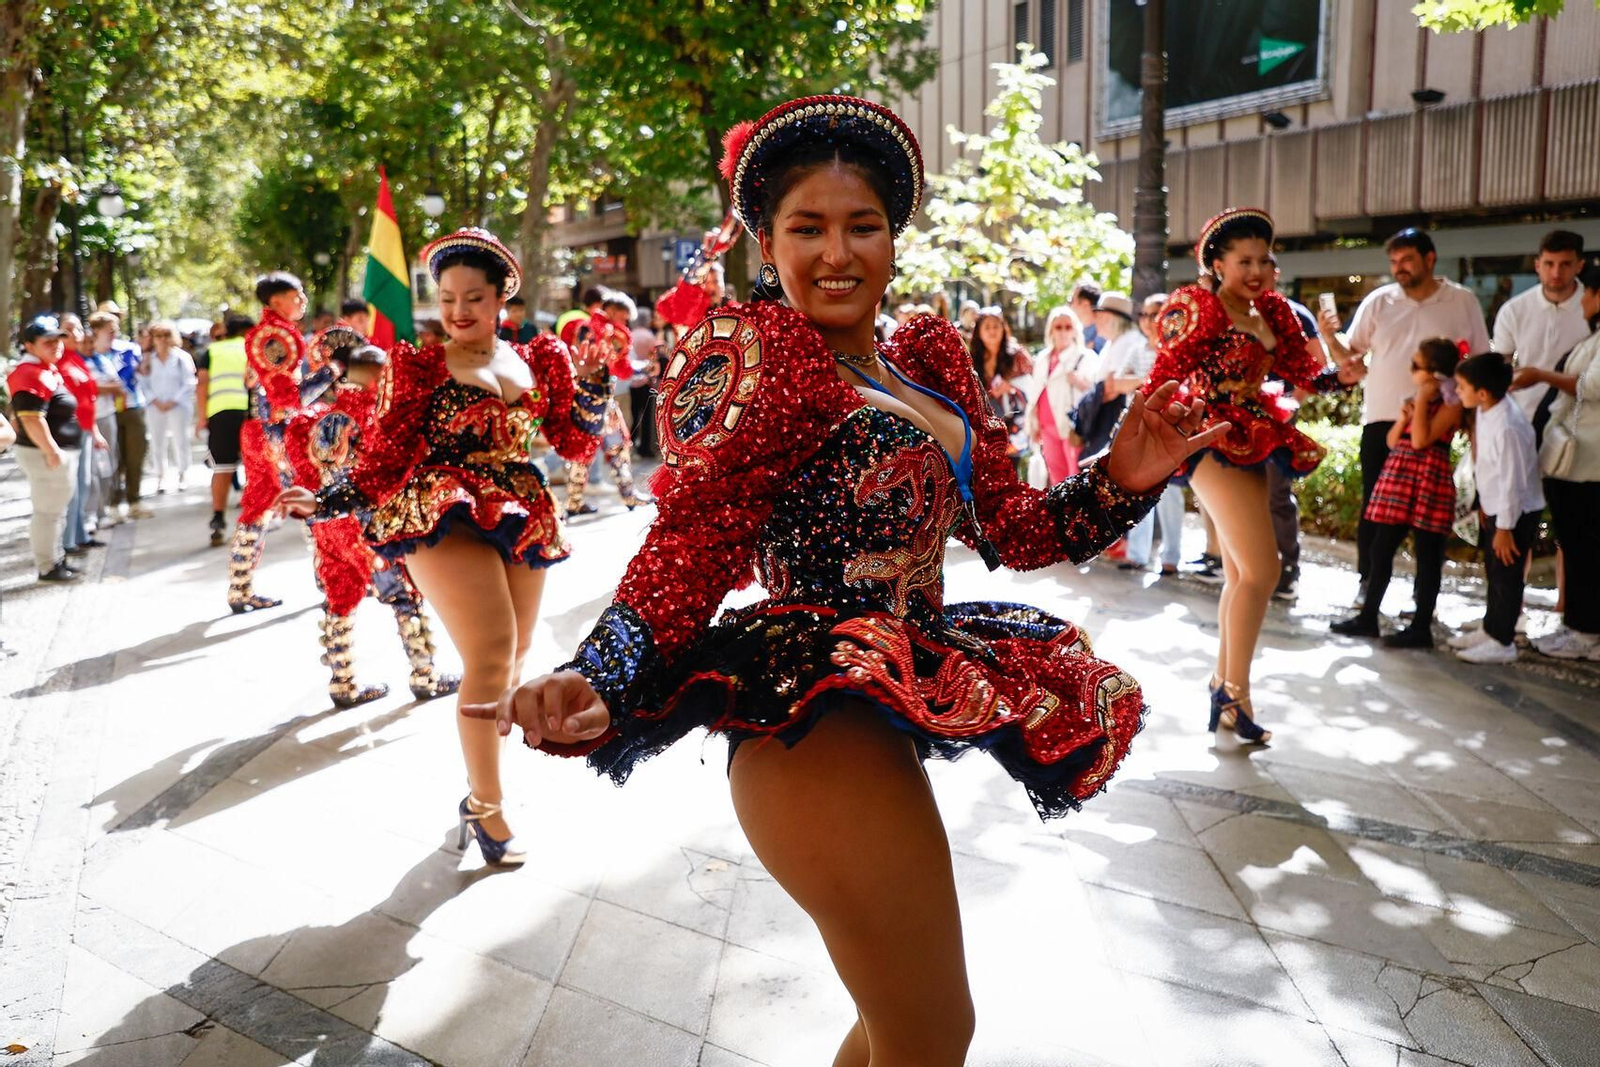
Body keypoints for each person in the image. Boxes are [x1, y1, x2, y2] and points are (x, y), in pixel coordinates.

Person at [464, 96, 1226, 1064]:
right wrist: (602, 672)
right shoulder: (762, 357)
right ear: (766, 244)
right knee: (932, 1029)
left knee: (890, 1026)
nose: (836, 252)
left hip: (891, 693)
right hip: (806, 719)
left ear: (893, 238)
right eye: (806, 228)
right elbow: (694, 538)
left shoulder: (924, 354)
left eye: (861, 225)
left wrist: (1119, 475)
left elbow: (1018, 530)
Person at [278, 226, 606, 868]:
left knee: (515, 659)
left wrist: (593, 389)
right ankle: (488, 808)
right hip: (438, 506)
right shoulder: (419, 365)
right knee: (489, 654)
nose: (457, 312)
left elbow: (571, 441)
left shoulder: (540, 359)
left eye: (472, 298)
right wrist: (333, 498)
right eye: (447, 298)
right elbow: (387, 453)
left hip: (519, 505)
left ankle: (474, 794)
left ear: (501, 297)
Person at [1144, 208, 1362, 742]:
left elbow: (1304, 375)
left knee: (1245, 574)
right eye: (1244, 260)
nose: (1257, 270)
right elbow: (1164, 377)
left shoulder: (1274, 313)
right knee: (1262, 572)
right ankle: (1233, 696)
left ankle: (1225, 686)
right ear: (1216, 263)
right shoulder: (1198, 309)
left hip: (1257, 437)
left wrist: (1341, 376)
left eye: (1265, 259)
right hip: (1211, 441)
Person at [284, 333, 462, 707]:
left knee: (338, 599)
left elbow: (301, 472)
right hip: (372, 526)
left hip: (328, 528)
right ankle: (425, 674)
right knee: (404, 597)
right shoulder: (381, 418)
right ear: (381, 376)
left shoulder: (312, 420)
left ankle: (342, 681)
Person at [1321, 227, 1490, 601]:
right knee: (1375, 509)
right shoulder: (1379, 301)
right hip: (1383, 419)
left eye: (1407, 260)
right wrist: (1329, 335)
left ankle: (1422, 600)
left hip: (1435, 426)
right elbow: (1350, 354)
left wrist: (1472, 421)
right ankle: (1368, 587)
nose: (1399, 268)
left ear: (1430, 259)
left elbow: (1479, 361)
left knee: (1428, 520)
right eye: (1394, 262)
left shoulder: (1461, 301)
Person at [1331, 338, 1464, 647]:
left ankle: (1421, 627)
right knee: (1381, 548)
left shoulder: (1450, 404)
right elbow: (1395, 440)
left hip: (1428, 477)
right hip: (1401, 476)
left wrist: (1421, 402)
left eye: (1416, 366)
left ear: (1433, 373)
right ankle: (1368, 617)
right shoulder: (1417, 400)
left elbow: (1420, 441)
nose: (1411, 371)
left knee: (1428, 555)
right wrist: (1407, 414)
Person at [1514, 263, 1600, 661]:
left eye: (1588, 292)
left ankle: (1584, 630)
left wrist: (1540, 375)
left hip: (1588, 463)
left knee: (1584, 545)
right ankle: (1580, 626)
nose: (1582, 300)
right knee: (1580, 543)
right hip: (1579, 460)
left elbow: (1592, 386)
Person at [227, 272, 322, 613]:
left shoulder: (265, 334)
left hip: (258, 431)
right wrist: (332, 372)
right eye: (297, 296)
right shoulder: (276, 336)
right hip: (277, 435)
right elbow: (289, 399)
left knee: (258, 507)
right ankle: (332, 579)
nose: (303, 301)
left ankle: (240, 587)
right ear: (277, 301)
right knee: (314, 499)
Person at [1452, 353, 1544, 664]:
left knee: (1507, 575)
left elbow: (1513, 482)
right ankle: (1491, 629)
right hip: (1496, 508)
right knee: (1494, 571)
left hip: (1515, 513)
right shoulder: (1486, 410)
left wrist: (1505, 527)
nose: (1458, 391)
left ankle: (1503, 641)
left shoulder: (1508, 425)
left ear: (1482, 392)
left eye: (1462, 386)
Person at [1264, 256, 1328, 600]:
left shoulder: (1295, 313)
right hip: (1239, 418)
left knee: (1276, 492)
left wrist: (1293, 401)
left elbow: (1319, 362)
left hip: (1279, 415)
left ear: (1275, 273)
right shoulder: (1232, 310)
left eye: (1263, 265)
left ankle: (1288, 567)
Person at [7, 316, 85, 582]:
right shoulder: (30, 372)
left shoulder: (43, 368)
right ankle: (48, 565)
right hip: (45, 454)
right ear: (29, 345)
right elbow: (31, 418)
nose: (56, 346)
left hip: (54, 452)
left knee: (55, 512)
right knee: (48, 513)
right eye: (48, 341)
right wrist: (51, 450)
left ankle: (56, 558)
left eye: (58, 340)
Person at [1119, 292, 1187, 575]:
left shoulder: (1180, 348)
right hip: (1140, 428)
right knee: (1139, 488)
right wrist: (1147, 383)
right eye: (1145, 314)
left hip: (1170, 428)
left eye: (1156, 313)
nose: (1150, 320)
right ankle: (1137, 554)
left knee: (1170, 493)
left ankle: (1171, 557)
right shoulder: (1137, 349)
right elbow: (1118, 381)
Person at [1493, 230, 1588, 423]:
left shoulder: (1593, 307)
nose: (1556, 273)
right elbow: (1500, 365)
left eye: (1565, 264)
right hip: (1525, 417)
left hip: (1582, 419)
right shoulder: (1514, 310)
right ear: (1537, 265)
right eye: (1549, 264)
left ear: (1579, 266)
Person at [195, 314, 253, 546]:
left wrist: (202, 417)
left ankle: (218, 518)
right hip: (249, 412)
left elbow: (202, 384)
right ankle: (253, 518)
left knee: (223, 468)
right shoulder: (252, 349)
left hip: (220, 412)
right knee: (254, 465)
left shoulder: (211, 352)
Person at [1025, 305, 1097, 483]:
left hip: (1072, 426)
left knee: (1075, 475)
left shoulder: (1086, 357)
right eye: (1058, 327)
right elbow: (1036, 393)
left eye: (1068, 326)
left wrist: (1080, 382)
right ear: (1051, 330)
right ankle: (1061, 511)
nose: (1063, 331)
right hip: (1046, 427)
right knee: (1055, 476)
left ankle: (1076, 511)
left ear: (1075, 329)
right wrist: (1034, 424)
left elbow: (1097, 392)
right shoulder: (1042, 358)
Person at [56, 313, 108, 556]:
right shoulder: (57, 362)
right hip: (69, 434)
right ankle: (68, 542)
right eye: (69, 329)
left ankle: (80, 535)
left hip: (85, 431)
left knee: (83, 484)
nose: (76, 334)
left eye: (78, 328)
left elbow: (89, 398)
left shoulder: (77, 359)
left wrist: (94, 430)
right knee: (72, 488)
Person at [138, 320, 198, 493]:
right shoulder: (148, 359)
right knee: (157, 442)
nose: (162, 339)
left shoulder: (181, 358)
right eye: (158, 336)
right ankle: (160, 476)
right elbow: (143, 382)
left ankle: (182, 473)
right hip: (155, 406)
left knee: (180, 440)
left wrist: (173, 401)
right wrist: (155, 400)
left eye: (166, 335)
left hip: (178, 406)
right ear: (153, 338)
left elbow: (189, 382)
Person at [968, 305, 1032, 458]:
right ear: (979, 332)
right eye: (987, 327)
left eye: (996, 326)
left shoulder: (1017, 355)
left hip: (1013, 426)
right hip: (982, 429)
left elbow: (1034, 384)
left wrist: (1010, 387)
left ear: (1003, 328)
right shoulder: (971, 358)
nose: (992, 331)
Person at [1071, 281, 1106, 353]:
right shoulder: (1073, 332)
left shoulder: (1105, 334)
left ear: (1085, 304)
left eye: (1072, 300)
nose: (1070, 305)